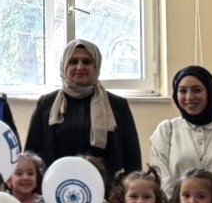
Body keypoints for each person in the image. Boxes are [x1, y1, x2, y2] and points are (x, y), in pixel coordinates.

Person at [24, 39, 139, 177]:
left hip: (107, 190)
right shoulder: (46, 103)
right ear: (64, 65)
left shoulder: (117, 105)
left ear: (96, 66)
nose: (80, 67)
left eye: (86, 62)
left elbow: (132, 158)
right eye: (73, 62)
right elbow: (31, 155)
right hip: (56, 185)